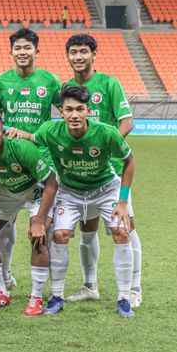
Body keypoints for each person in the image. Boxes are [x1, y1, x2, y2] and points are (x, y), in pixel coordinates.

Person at [34, 85, 136, 317]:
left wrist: (122, 202)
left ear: (88, 111)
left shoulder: (106, 132)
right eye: (69, 109)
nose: (74, 115)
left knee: (121, 232)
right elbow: (34, 142)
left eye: (80, 109)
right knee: (60, 235)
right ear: (61, 111)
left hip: (105, 189)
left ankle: (124, 298)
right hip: (70, 191)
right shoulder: (50, 130)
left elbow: (129, 161)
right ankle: (57, 296)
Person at [63, 33, 143, 308]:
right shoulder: (66, 87)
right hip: (81, 175)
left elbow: (127, 122)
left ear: (94, 55)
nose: (78, 57)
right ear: (68, 57)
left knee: (125, 228)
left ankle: (134, 289)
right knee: (87, 230)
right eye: (74, 52)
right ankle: (90, 286)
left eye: (84, 51)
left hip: (111, 170)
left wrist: (106, 149)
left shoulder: (109, 83)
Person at [0, 28, 61, 293]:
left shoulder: (51, 81)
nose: (22, 52)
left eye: (27, 48)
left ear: (36, 51)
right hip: (9, 163)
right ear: (10, 52)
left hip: (41, 162)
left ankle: (52, 286)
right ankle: (6, 276)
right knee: (6, 224)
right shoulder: (1, 82)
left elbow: (67, 110)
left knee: (44, 225)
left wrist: (38, 137)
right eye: (18, 48)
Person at [0, 111, 57, 315]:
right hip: (8, 189)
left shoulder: (21, 147)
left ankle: (36, 298)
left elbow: (51, 183)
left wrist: (39, 220)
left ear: (4, 132)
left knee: (38, 237)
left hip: (37, 187)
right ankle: (0, 293)